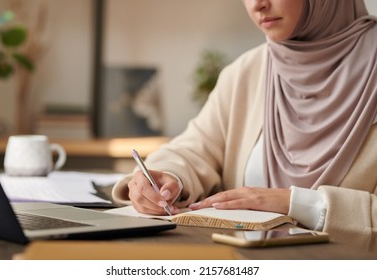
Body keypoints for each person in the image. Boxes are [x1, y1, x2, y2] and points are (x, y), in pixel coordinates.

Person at [112, 0, 377, 251]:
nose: (256, 5)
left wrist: (294, 203)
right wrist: (166, 178)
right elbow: (192, 150)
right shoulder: (247, 71)